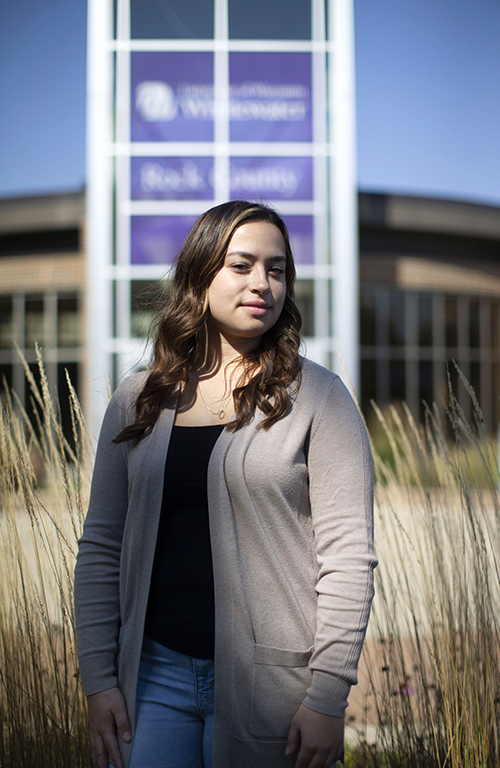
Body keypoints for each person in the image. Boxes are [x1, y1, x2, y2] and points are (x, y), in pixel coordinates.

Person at [74, 200, 377, 768]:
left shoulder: (319, 398)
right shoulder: (138, 400)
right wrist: (98, 680)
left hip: (273, 692)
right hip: (151, 679)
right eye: (241, 265)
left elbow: (348, 558)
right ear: (201, 274)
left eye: (277, 268)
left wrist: (328, 697)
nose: (262, 282)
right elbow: (100, 549)